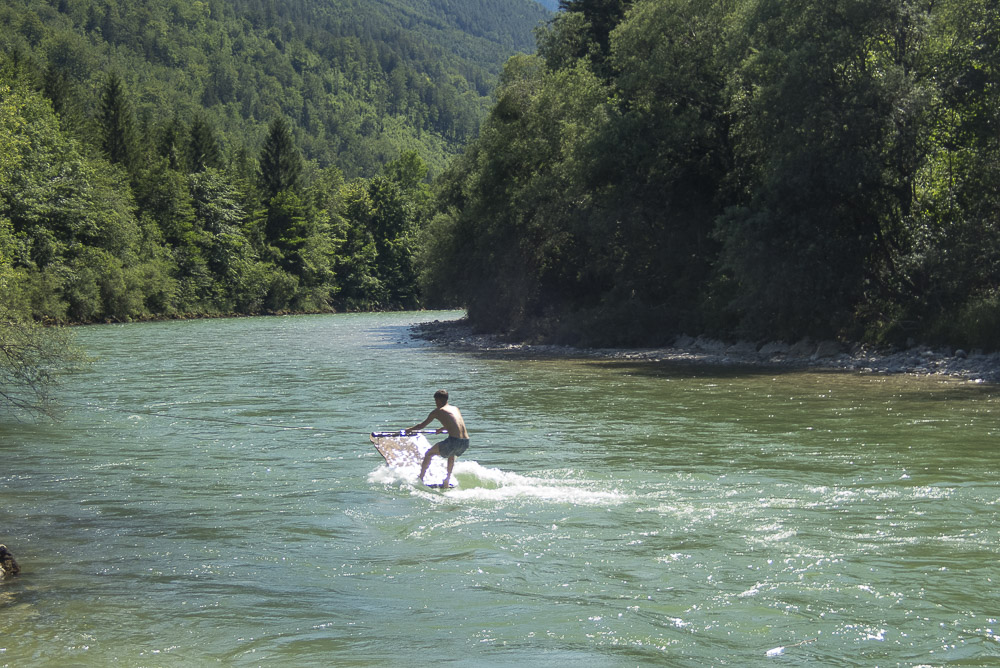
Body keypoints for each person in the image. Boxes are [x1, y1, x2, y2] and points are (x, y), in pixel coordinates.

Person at [405, 389, 469, 487]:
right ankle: (447, 481)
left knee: (429, 454)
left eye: (435, 401)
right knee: (451, 456)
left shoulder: (437, 411)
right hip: (465, 442)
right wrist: (443, 428)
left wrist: (409, 429)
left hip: (454, 441)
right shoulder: (455, 408)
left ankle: (420, 479)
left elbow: (421, 426)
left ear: (438, 400)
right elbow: (457, 424)